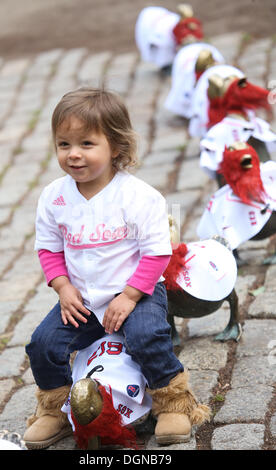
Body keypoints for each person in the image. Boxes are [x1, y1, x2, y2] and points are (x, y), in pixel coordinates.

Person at [24, 87, 210, 449]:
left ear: (116, 147)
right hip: (82, 297)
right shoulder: (55, 198)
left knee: (147, 336)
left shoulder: (138, 197)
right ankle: (55, 410)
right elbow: (48, 250)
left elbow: (156, 254)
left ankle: (171, 401)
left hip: (136, 292)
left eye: (87, 144)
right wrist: (63, 288)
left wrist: (129, 296)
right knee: (43, 344)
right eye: (64, 144)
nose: (73, 154)